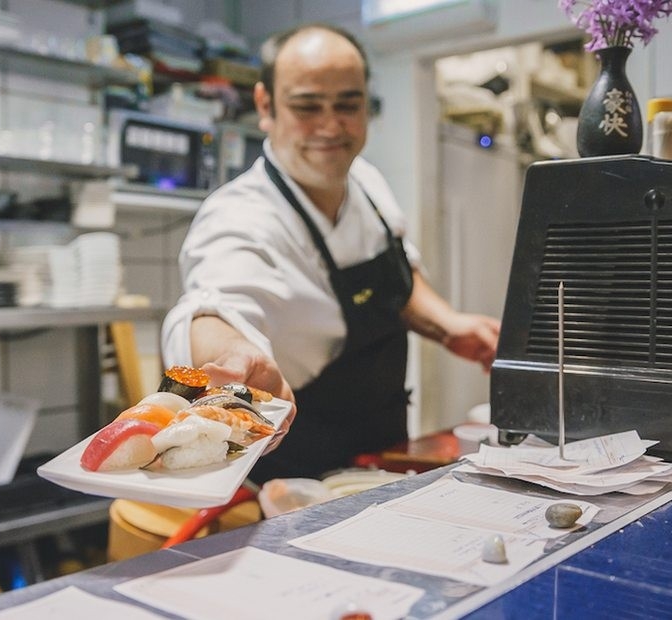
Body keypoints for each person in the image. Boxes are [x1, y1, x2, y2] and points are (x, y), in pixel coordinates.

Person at [161, 23, 500, 483]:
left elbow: (398, 275)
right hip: (295, 477)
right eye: (307, 106)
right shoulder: (238, 217)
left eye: (348, 105)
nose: (330, 126)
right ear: (266, 105)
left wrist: (450, 325)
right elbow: (212, 307)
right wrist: (235, 355)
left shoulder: (367, 182)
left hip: (383, 450)